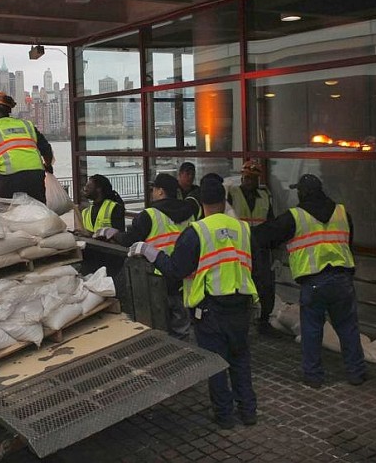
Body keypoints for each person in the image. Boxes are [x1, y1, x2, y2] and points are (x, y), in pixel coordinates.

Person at [128, 174, 258, 428]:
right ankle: (248, 411)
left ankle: (224, 417)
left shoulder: (197, 232)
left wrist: (150, 252)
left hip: (211, 310)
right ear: (224, 200)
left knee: (217, 363)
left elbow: (176, 269)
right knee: (240, 359)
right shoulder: (243, 228)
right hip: (241, 305)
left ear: (201, 203)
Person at [254, 174, 366, 388]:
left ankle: (313, 376)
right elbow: (347, 241)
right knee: (348, 328)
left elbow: (265, 237)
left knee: (312, 330)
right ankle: (356, 372)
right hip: (342, 279)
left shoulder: (295, 216)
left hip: (314, 281)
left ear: (302, 193)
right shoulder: (342, 212)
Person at [94, 173, 197, 339]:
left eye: (154, 189)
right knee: (182, 327)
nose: (152, 193)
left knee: (158, 328)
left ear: (161, 191)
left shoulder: (149, 215)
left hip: (156, 278)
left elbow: (129, 240)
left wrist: (112, 233)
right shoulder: (189, 213)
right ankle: (183, 355)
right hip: (183, 279)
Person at [0, 91, 54, 203]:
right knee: (39, 209)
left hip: (8, 179)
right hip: (36, 177)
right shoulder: (27, 125)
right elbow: (46, 149)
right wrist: (48, 166)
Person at [227, 159, 278, 336]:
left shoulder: (264, 196)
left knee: (265, 286)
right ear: (242, 177)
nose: (249, 181)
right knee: (239, 287)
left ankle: (263, 321)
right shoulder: (232, 194)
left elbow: (271, 222)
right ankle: (240, 323)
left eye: (253, 178)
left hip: (261, 248)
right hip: (238, 249)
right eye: (247, 177)